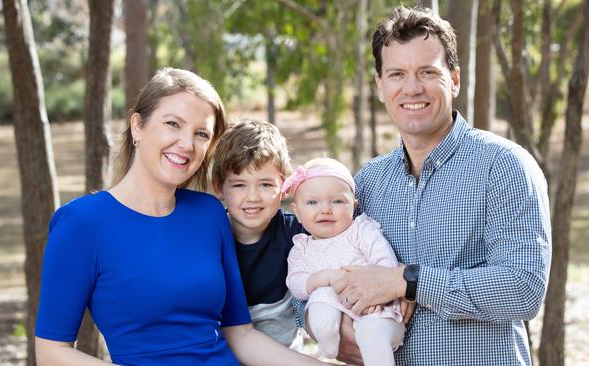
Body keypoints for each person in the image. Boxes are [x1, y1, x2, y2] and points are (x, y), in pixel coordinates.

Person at [35, 67, 329, 366]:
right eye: (173, 124)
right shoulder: (81, 224)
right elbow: (50, 352)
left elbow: (241, 335)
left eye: (201, 134)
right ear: (138, 126)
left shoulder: (209, 213)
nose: (187, 144)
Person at [329, 6, 552, 366]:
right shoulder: (366, 183)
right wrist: (329, 327)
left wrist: (408, 281)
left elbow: (523, 287)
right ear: (380, 85)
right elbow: (319, 253)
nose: (412, 88)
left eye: (427, 72)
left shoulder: (504, 166)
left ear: (455, 79)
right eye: (397, 74)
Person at [283, 158, 406, 366]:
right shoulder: (301, 248)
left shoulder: (361, 231)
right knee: (321, 296)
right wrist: (324, 278)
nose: (325, 209)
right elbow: (296, 285)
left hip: (375, 310)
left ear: (353, 205)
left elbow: (386, 262)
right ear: (297, 212)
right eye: (312, 202)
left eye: (337, 201)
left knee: (371, 333)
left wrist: (376, 297)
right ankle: (327, 337)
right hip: (335, 313)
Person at [211, 119, 303, 349]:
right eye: (239, 185)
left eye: (264, 184)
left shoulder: (297, 233)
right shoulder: (209, 238)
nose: (252, 197)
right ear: (218, 187)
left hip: (286, 357)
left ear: (284, 186)